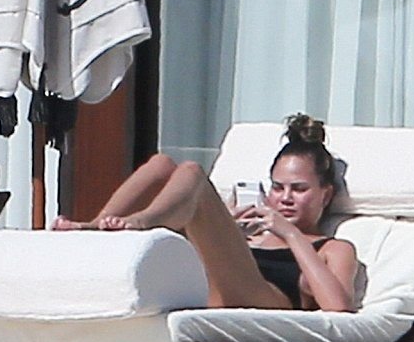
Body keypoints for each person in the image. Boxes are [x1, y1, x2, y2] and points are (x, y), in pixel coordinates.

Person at [51, 114, 358, 312]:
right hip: (210, 287)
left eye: (299, 189)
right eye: (278, 188)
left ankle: (141, 222)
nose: (285, 198)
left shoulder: (333, 248)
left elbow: (339, 308)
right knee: (161, 165)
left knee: (193, 174)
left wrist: (290, 234)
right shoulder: (255, 232)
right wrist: (227, 231)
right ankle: (95, 228)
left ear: (326, 194)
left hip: (265, 300)